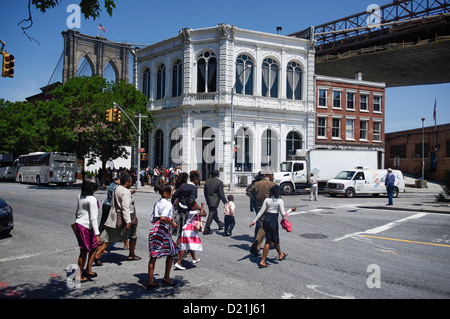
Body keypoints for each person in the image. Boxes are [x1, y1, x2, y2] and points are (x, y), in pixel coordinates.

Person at [95, 174, 141, 264]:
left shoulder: (117, 189)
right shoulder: (125, 191)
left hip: (115, 216)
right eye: (131, 181)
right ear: (127, 182)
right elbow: (125, 207)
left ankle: (98, 253)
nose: (131, 183)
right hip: (125, 217)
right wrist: (128, 221)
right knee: (133, 234)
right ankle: (131, 254)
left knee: (109, 238)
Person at [249, 185, 296, 268]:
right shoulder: (279, 201)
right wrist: (291, 210)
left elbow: (261, 211)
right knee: (268, 241)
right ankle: (262, 261)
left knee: (275, 238)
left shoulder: (267, 200)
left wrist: (254, 221)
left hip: (266, 220)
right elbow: (283, 214)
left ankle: (280, 254)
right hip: (273, 221)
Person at [147, 184, 178, 289]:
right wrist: (172, 223)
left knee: (153, 255)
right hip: (162, 229)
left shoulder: (158, 203)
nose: (171, 194)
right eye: (170, 193)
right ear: (165, 193)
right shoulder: (168, 204)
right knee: (172, 251)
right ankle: (166, 277)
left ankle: (150, 280)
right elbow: (163, 218)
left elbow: (153, 218)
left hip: (154, 228)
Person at [73, 178, 101, 282]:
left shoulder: (80, 196)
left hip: (81, 225)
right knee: (84, 251)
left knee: (93, 247)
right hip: (85, 226)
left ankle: (88, 269)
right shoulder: (91, 199)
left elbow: (77, 212)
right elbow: (93, 218)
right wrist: (97, 234)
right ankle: (78, 275)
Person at [245, 170, 275, 255]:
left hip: (258, 205)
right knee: (262, 226)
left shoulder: (256, 183)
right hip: (268, 207)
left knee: (262, 224)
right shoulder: (271, 184)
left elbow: (248, 192)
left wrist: (255, 198)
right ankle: (256, 246)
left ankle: (271, 242)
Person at [175, 200, 207, 270]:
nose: (197, 205)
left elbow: (205, 213)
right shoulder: (192, 212)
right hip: (189, 231)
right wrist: (202, 206)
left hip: (188, 230)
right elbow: (202, 214)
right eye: (196, 204)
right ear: (193, 207)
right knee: (185, 247)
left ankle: (194, 258)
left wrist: (199, 207)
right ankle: (178, 262)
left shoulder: (192, 211)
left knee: (190, 245)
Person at [203, 170, 227, 235]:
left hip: (209, 200)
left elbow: (205, 192)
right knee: (211, 213)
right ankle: (207, 228)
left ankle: (220, 224)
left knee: (214, 213)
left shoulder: (207, 181)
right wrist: (225, 202)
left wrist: (207, 199)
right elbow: (221, 194)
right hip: (215, 200)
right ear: (218, 174)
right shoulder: (219, 182)